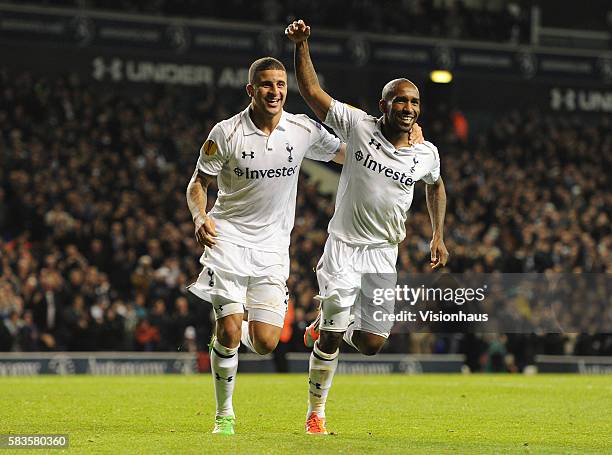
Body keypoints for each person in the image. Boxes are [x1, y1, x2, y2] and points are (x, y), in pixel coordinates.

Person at [285, 20, 449, 434]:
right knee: (335, 334)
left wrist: (438, 233)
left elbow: (436, 185)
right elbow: (313, 94)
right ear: (384, 105)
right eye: (399, 101)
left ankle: (327, 323)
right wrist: (303, 46)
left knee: (373, 344)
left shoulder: (426, 153)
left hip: (383, 253)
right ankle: (315, 413)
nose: (408, 108)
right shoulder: (359, 127)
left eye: (413, 102)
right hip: (344, 245)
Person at [185, 56, 347, 435]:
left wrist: (392, 143)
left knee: (265, 343)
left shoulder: (301, 128)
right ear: (251, 90)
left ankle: (234, 328)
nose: (274, 92)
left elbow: (347, 153)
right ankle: (224, 414)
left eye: (280, 85)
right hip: (228, 239)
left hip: (273, 247)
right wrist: (199, 216)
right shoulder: (226, 133)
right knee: (228, 331)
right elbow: (197, 183)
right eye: (266, 85)